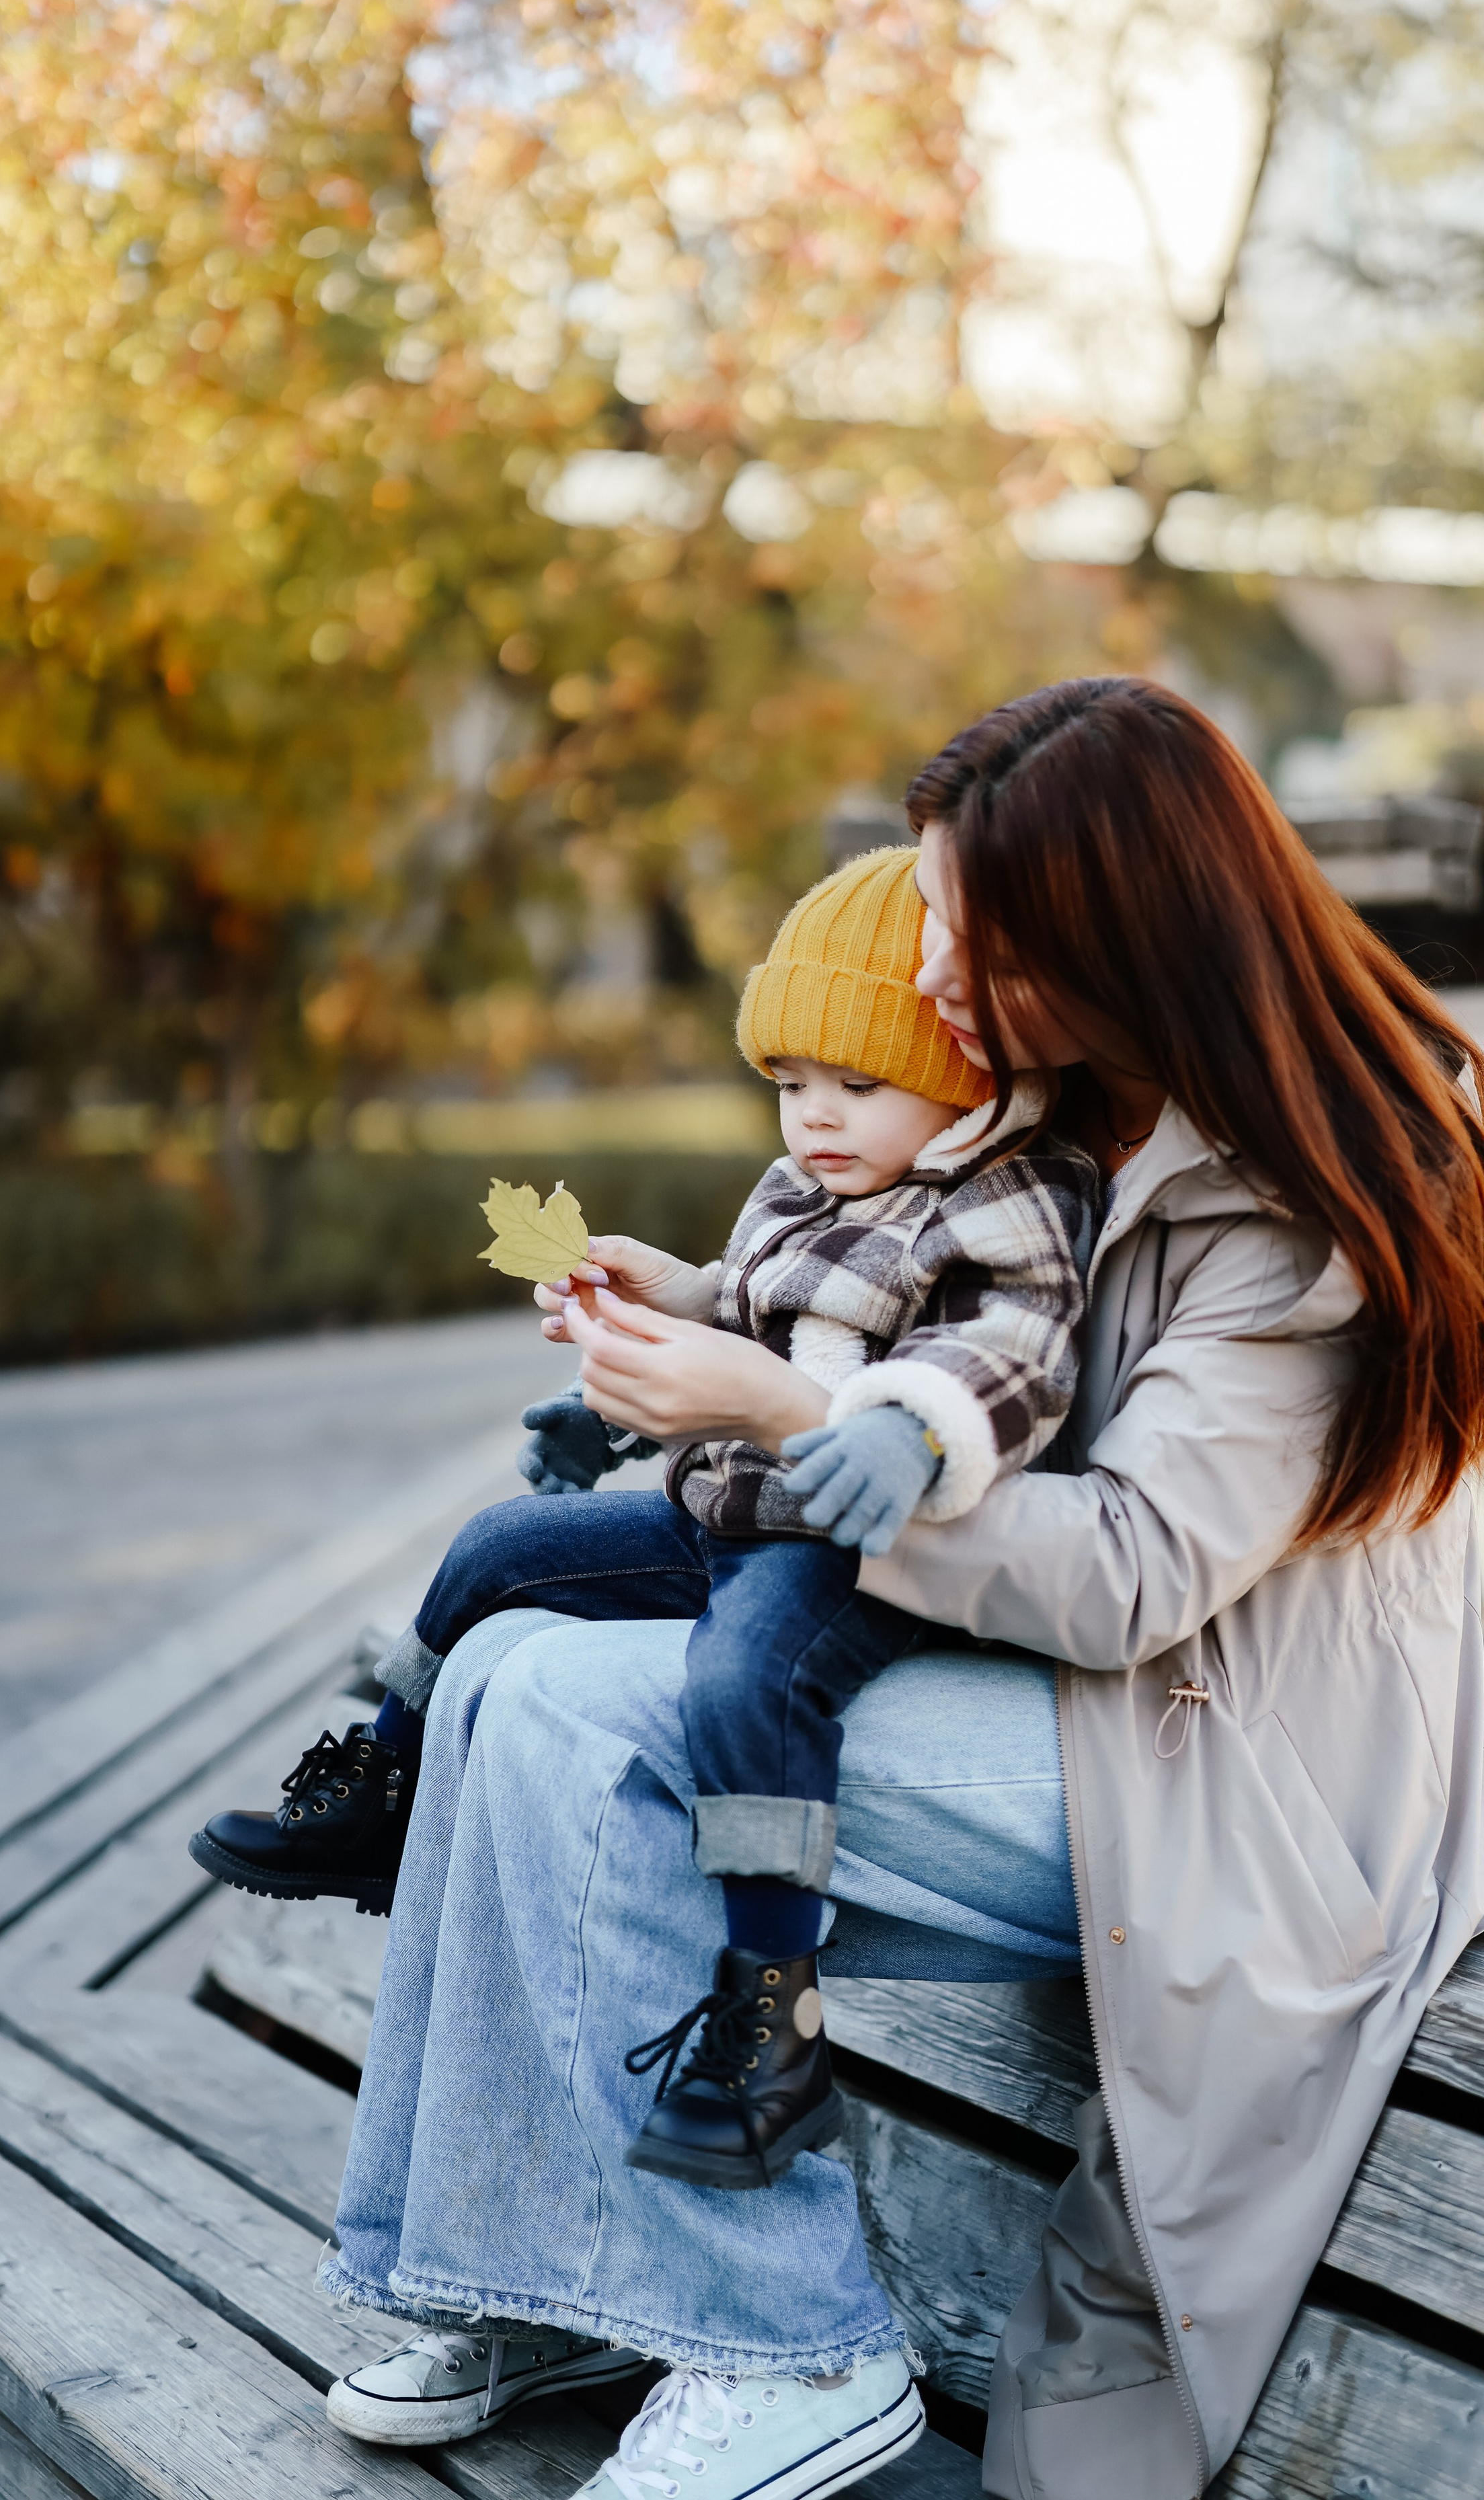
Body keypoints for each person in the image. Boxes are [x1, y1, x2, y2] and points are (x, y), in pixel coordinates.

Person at [313, 677, 1484, 2500]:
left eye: (980, 937)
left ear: (1116, 933)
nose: (938, 970)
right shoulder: (1067, 1097)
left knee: (591, 1718)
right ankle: (558, 2263)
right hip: (1045, 1692)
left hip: (1237, 1777)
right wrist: (715, 1308)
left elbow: (1134, 1574)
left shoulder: (1331, 1182)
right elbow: (907, 1295)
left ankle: (790, 2350)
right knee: (506, 1658)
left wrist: (794, 1414)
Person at [191, 849, 1097, 2190]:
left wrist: (910, 1432)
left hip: (850, 1554)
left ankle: (772, 2008)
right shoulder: (810, 1187)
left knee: (738, 1687)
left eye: (857, 1084)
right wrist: (639, 1339)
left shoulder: (1000, 1199)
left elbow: (1015, 1353)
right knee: (496, 1554)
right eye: (791, 1085)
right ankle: (380, 1786)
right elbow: (748, 1310)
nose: (815, 1118)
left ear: (963, 1078)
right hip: (721, 1515)